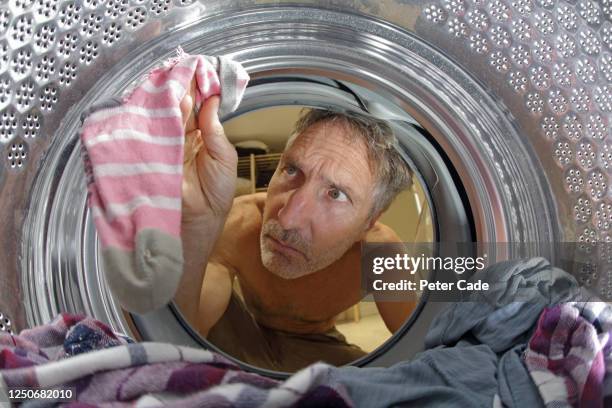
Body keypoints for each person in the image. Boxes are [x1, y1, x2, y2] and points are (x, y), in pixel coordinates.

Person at [175, 87, 416, 372]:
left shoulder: (382, 254)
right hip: (244, 334)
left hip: (319, 345)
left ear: (370, 219)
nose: (287, 220)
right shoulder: (236, 223)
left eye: (335, 194)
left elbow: (420, 346)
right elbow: (182, 331)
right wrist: (193, 229)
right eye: (291, 170)